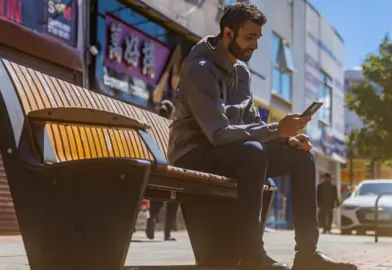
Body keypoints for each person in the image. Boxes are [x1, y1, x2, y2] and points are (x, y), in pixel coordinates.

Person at [167, 3, 357, 270]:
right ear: (227, 34)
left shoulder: (241, 71)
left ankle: (307, 255)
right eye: (249, 37)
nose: (254, 46)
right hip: (192, 152)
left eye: (258, 38)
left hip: (231, 151)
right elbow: (218, 134)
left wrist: (287, 140)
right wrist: (278, 130)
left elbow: (252, 122)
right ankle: (252, 255)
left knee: (302, 158)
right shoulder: (200, 68)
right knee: (253, 152)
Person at [146, 100, 179, 241]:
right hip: (171, 166)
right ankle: (167, 233)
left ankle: (153, 217)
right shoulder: (173, 126)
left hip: (155, 166)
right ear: (172, 113)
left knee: (157, 197)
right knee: (174, 199)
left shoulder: (153, 124)